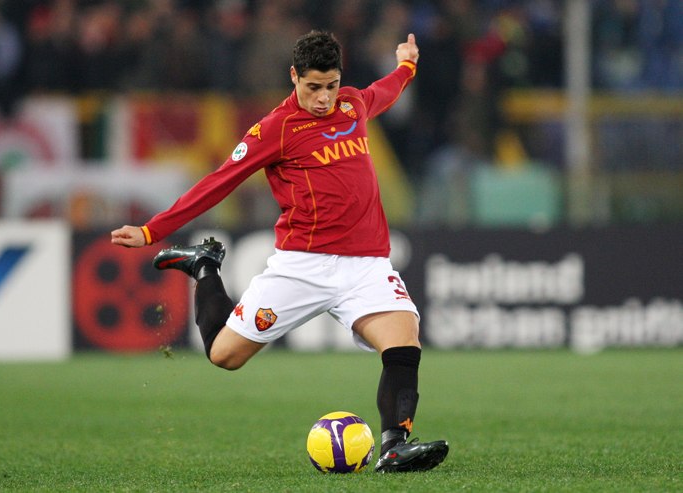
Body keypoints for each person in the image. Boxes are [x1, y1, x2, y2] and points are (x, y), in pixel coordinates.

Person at [111, 30, 449, 473]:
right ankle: (204, 268)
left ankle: (392, 446)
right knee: (224, 356)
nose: (324, 98)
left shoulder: (353, 103)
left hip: (367, 263)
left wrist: (407, 66)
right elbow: (219, 181)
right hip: (302, 267)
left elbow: (382, 91)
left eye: (331, 85)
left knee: (403, 340)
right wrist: (153, 230)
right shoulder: (276, 128)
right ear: (293, 77)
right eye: (313, 87)